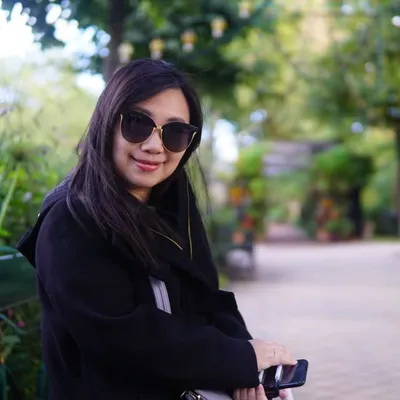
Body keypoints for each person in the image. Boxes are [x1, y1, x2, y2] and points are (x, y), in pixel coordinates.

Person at [17, 59, 297, 400]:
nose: (154, 145)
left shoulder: (171, 204)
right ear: (108, 123)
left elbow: (208, 300)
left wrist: (248, 369)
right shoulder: (71, 219)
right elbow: (121, 339)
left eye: (175, 132)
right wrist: (239, 359)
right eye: (138, 123)